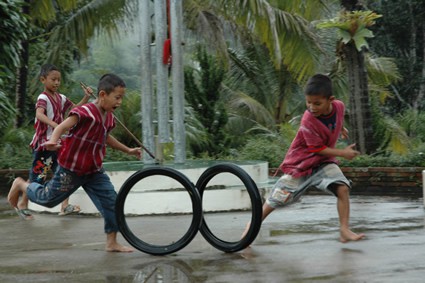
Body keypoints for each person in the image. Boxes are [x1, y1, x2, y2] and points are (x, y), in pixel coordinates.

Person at [8, 73, 141, 252]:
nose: (120, 102)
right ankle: (21, 185)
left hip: (94, 171)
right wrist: (53, 140)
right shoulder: (85, 111)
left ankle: (111, 242)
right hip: (71, 170)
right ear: (102, 95)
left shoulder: (108, 117)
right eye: (117, 98)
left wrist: (129, 150)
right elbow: (63, 126)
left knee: (112, 203)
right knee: (47, 200)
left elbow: (106, 138)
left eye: (121, 98)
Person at [243, 74, 365, 243]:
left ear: (331, 100)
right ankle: (251, 225)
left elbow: (336, 119)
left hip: (323, 163)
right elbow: (317, 149)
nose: (312, 107)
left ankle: (344, 229)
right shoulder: (308, 119)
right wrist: (342, 153)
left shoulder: (339, 107)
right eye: (308, 102)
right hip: (302, 164)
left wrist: (341, 128)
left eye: (317, 103)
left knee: (342, 188)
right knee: (277, 198)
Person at [15, 64, 91, 220]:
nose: (57, 83)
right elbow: (39, 114)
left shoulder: (61, 98)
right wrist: (57, 126)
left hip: (58, 143)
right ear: (43, 80)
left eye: (59, 80)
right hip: (44, 144)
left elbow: (74, 109)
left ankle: (65, 206)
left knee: (64, 173)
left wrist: (86, 97)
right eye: (53, 79)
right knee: (38, 177)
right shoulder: (42, 98)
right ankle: (23, 203)